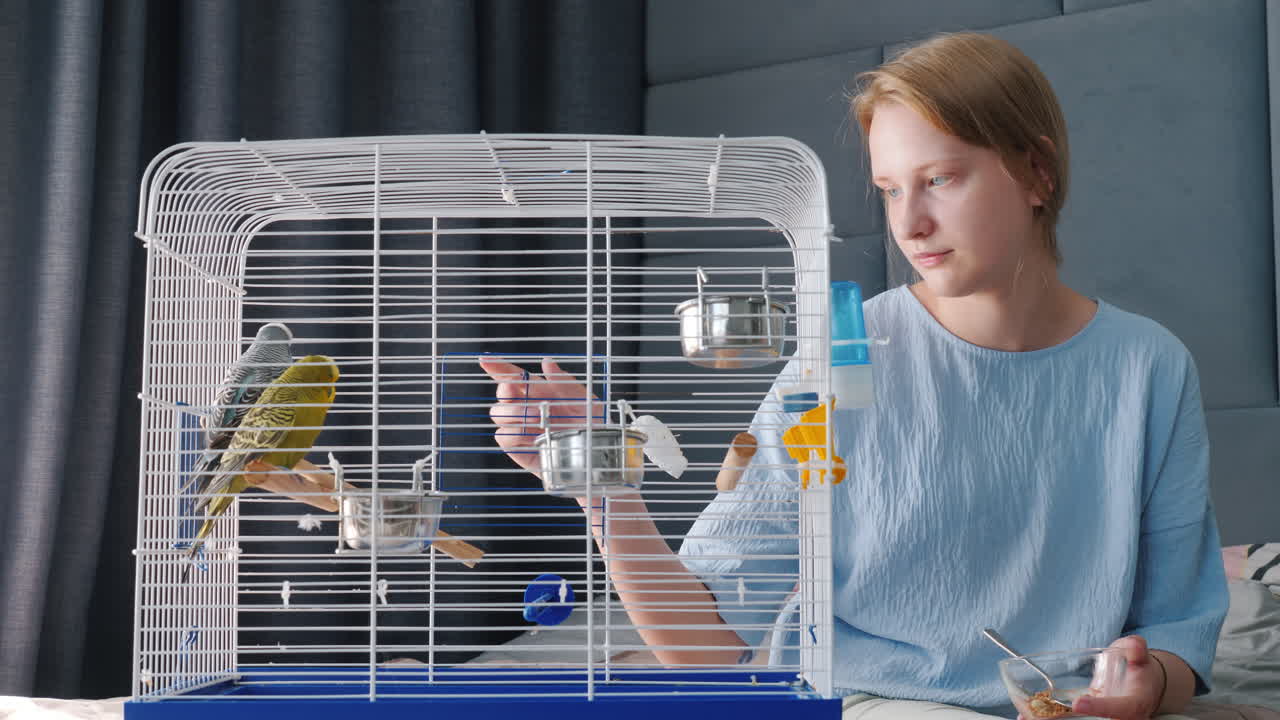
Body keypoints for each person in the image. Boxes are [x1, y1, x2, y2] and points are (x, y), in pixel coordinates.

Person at [477, 31, 1228, 720]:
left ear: (1037, 170)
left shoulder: (1148, 367)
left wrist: (1147, 682)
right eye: (892, 189)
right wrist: (606, 495)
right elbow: (707, 647)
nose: (910, 225)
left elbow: (1178, 632)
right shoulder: (842, 359)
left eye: (940, 178)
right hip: (873, 699)